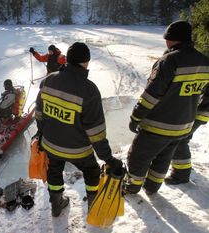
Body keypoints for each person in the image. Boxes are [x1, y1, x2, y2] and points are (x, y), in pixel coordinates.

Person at [35, 42, 122, 217]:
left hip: (51, 145)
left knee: (54, 171)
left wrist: (42, 137)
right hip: (79, 151)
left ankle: (56, 206)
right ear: (86, 62)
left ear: (67, 59)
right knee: (92, 173)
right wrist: (108, 158)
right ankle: (93, 206)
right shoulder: (89, 90)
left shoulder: (48, 81)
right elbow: (96, 133)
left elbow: (39, 115)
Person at [125, 20, 209, 195]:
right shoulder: (204, 62)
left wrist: (136, 117)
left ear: (173, 39)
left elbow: (151, 95)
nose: (165, 42)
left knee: (137, 157)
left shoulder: (169, 61)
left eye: (167, 39)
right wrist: (197, 119)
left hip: (158, 125)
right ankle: (152, 187)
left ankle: (131, 187)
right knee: (163, 158)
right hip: (183, 126)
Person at [165, 86, 209, 185]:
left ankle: (181, 175)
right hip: (199, 109)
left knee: (179, 139)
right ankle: (183, 167)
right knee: (182, 138)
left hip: (200, 110)